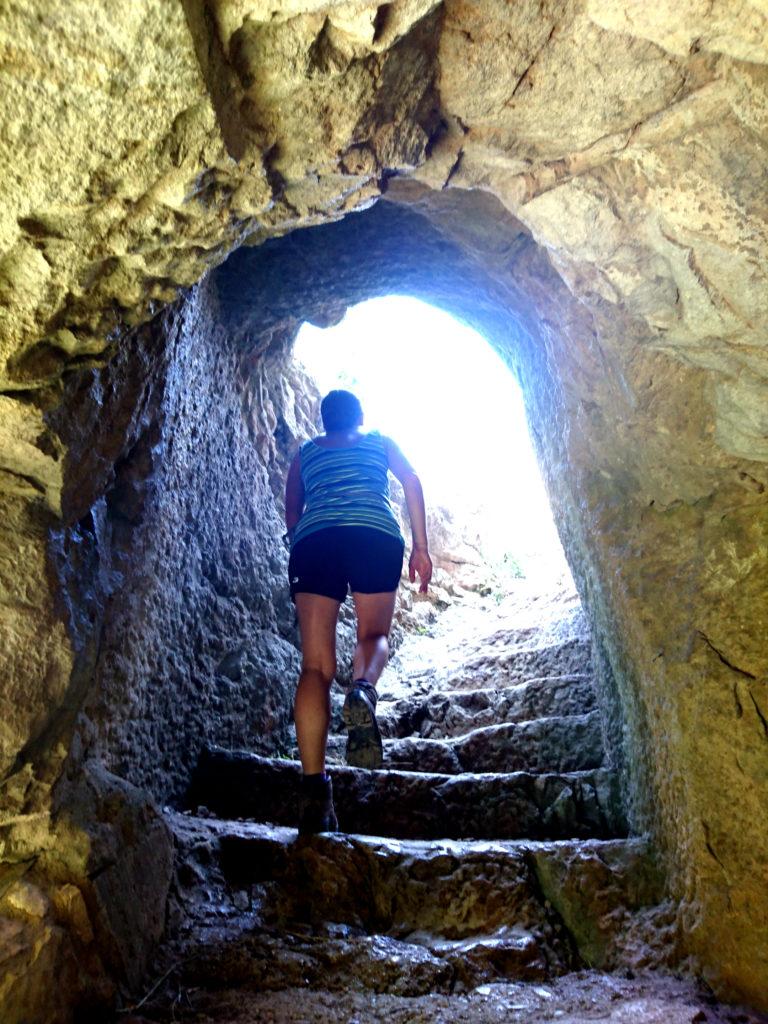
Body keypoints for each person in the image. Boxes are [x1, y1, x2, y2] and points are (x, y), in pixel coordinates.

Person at [284, 389, 432, 834]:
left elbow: (293, 512)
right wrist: (421, 549)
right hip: (373, 534)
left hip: (316, 541)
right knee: (374, 637)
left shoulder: (305, 453)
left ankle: (315, 795)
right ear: (360, 417)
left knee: (314, 667)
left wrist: (303, 542)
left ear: (323, 420)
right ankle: (363, 690)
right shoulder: (380, 441)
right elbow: (411, 480)